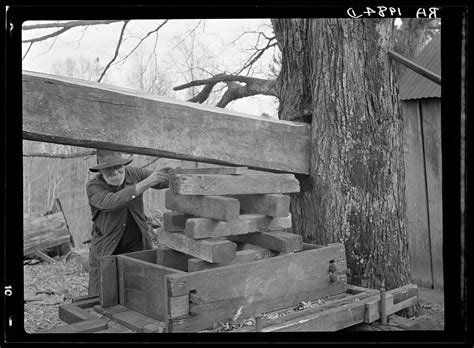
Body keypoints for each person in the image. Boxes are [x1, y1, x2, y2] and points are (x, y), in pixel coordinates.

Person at [86, 149, 170, 295]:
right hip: (107, 247)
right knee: (102, 295)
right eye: (110, 173)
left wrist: (171, 175)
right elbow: (111, 202)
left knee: (140, 290)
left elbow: (161, 181)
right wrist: (145, 184)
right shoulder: (94, 186)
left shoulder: (134, 173)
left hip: (137, 244)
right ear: (102, 172)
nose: (116, 175)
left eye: (119, 170)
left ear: (124, 166)